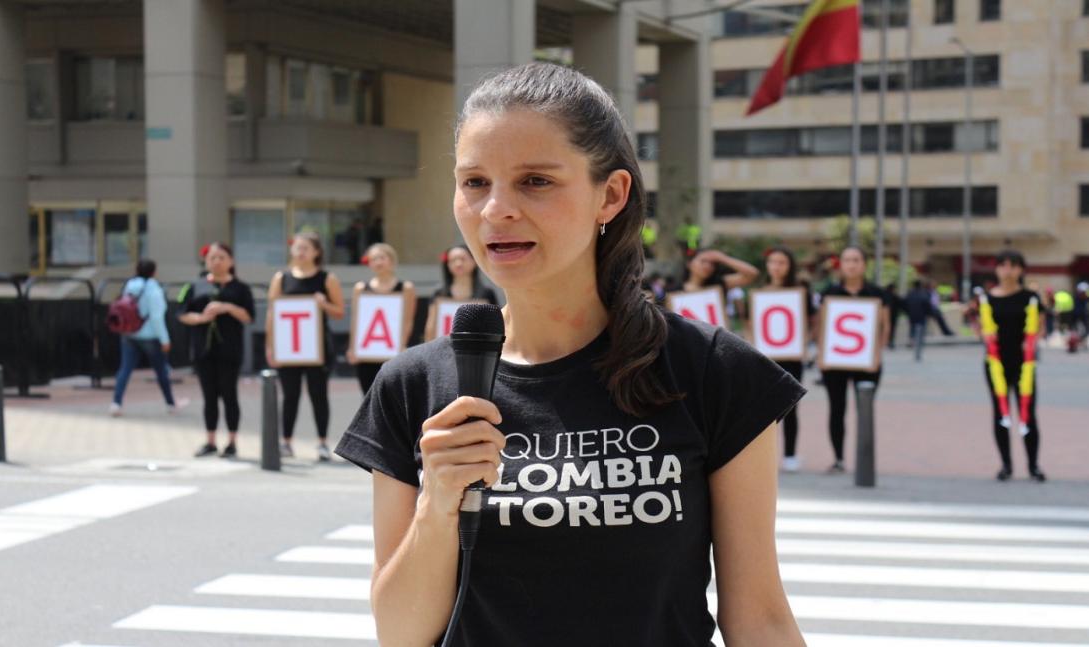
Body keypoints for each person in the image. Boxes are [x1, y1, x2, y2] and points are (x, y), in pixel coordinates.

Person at [334, 63, 807, 646]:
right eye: (475, 182)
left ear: (610, 195)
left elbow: (759, 618)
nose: (495, 210)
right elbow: (400, 634)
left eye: (535, 181)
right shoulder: (413, 385)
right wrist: (438, 503)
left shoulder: (712, 370)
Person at [265, 232, 345, 461]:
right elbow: (272, 313)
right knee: (290, 395)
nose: (300, 252)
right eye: (297, 248)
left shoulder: (327, 278)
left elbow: (339, 312)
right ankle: (286, 442)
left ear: (316, 252)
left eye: (305, 248)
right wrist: (270, 346)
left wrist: (324, 304)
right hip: (289, 348)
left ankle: (321, 442)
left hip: (317, 349)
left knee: (318, 395)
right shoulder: (281, 278)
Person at [818, 246, 891, 473]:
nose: (851, 264)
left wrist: (878, 354)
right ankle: (838, 458)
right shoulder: (829, 292)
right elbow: (821, 326)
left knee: (864, 410)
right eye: (847, 260)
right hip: (834, 361)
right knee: (836, 409)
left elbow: (884, 326)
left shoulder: (877, 293)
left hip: (867, 362)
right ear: (841, 264)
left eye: (856, 260)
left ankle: (864, 458)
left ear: (864, 264)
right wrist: (821, 355)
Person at [180, 243, 255, 458]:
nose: (216, 262)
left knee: (229, 395)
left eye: (221, 257)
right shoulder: (196, 286)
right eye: (212, 258)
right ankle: (210, 440)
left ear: (230, 261)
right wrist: (202, 318)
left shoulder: (240, 288)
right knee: (209, 396)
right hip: (204, 350)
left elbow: (249, 317)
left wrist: (228, 308)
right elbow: (183, 314)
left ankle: (232, 442)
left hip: (229, 351)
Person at [979, 250, 1045, 482]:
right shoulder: (986, 299)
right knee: (1001, 414)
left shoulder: (1031, 298)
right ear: (996, 269)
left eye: (1014, 265)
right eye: (1003, 265)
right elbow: (980, 327)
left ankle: (1033, 465)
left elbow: (1039, 327)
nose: (1008, 270)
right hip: (996, 363)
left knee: (1028, 414)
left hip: (1024, 364)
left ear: (1021, 269)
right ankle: (1006, 464)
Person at [763, 246, 815, 472]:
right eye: (773, 262)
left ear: (790, 265)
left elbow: (813, 320)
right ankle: (763, 455)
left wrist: (806, 342)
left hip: (792, 357)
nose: (776, 267)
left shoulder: (800, 291)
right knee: (764, 409)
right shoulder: (761, 292)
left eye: (781, 262)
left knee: (791, 406)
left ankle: (790, 454)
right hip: (766, 358)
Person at [110, 259, 180, 416]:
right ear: (154, 272)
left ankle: (116, 403)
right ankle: (170, 403)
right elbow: (156, 317)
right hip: (150, 336)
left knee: (125, 369)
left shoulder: (129, 286)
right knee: (161, 370)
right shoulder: (154, 290)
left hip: (129, 333)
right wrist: (165, 340)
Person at [350, 243, 417, 393]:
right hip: (366, 352)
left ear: (392, 261)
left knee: (393, 395)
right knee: (367, 395)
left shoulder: (406, 287)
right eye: (373, 259)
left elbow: (408, 320)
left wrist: (402, 344)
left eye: (382, 258)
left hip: (393, 351)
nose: (378, 262)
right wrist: (353, 347)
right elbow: (356, 320)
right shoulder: (360, 288)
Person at [424, 244, 499, 341]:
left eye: (463, 259)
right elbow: (430, 327)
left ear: (474, 261)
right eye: (453, 260)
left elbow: (493, 326)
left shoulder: (487, 293)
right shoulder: (439, 293)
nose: (458, 263)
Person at [904, 280, 932, 362]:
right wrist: (929, 314)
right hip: (921, 318)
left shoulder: (910, 294)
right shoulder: (924, 294)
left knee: (912, 332)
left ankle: (911, 341)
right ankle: (918, 353)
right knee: (920, 337)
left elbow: (905, 304)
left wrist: (908, 312)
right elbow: (928, 306)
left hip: (912, 317)